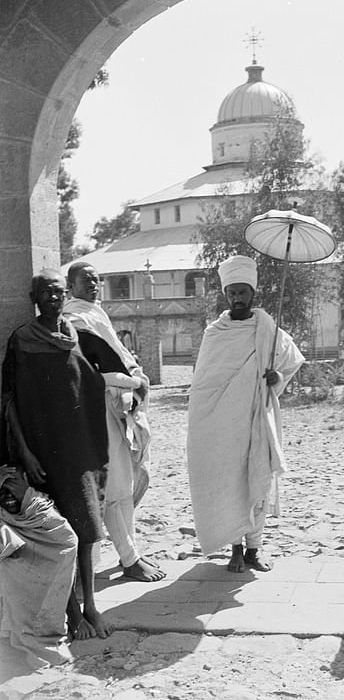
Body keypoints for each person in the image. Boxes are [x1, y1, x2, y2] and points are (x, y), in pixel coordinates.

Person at [0, 269, 111, 640]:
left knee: (87, 528)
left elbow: (96, 379)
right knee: (59, 534)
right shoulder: (22, 340)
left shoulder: (78, 334)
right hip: (41, 451)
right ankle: (73, 613)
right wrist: (26, 453)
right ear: (34, 297)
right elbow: (10, 400)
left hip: (77, 449)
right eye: (46, 292)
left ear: (67, 296)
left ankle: (91, 603)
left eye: (59, 292)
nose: (53, 297)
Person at [187, 255, 304, 572]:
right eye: (232, 292)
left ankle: (254, 549)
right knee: (232, 483)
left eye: (243, 292)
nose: (238, 297)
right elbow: (204, 385)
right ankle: (235, 549)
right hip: (224, 425)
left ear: (253, 293)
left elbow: (291, 361)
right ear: (225, 295)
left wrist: (276, 378)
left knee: (257, 481)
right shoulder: (215, 333)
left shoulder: (268, 326)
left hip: (257, 417)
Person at [63, 261, 164, 583]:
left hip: (117, 408)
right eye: (85, 280)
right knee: (112, 485)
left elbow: (115, 356)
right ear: (71, 286)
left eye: (96, 279)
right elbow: (89, 373)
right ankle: (129, 557)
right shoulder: (73, 318)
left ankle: (130, 553)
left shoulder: (96, 313)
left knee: (125, 483)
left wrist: (133, 380)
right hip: (96, 411)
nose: (93, 284)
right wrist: (132, 382)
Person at [0, 465, 77, 668]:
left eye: (13, 489)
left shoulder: (40, 512)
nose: (9, 497)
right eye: (2, 491)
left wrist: (27, 496)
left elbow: (66, 541)